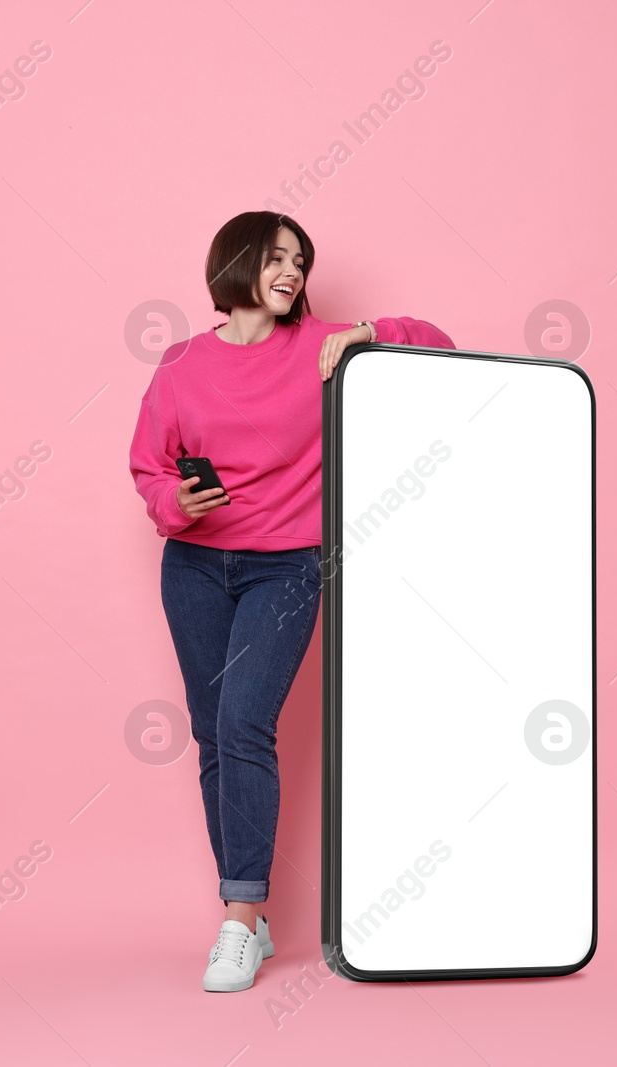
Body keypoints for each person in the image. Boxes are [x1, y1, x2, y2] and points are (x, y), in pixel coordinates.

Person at [128, 210, 455, 991]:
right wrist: (182, 506)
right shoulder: (180, 363)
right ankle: (255, 915)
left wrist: (370, 331)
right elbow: (148, 468)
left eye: (300, 262)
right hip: (196, 567)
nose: (292, 273)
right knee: (212, 734)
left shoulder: (320, 347)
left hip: (289, 566)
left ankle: (238, 920)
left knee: (244, 721)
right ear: (236, 262)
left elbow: (438, 343)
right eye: (277, 257)